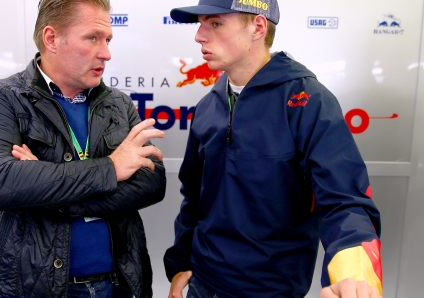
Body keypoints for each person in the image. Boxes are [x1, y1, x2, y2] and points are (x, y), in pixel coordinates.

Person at [163, 1, 383, 298]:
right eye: (200, 23)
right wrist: (180, 265)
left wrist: (354, 273)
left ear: (258, 27)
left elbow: (345, 200)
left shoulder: (306, 101)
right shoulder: (208, 106)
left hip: (270, 290)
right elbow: (193, 198)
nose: (199, 35)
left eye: (215, 23)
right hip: (203, 284)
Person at [0, 0, 166, 297]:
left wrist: (45, 190)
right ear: (52, 39)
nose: (106, 53)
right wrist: (112, 168)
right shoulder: (3, 98)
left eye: (108, 40)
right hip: (36, 288)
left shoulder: (118, 103)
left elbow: (152, 182)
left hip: (120, 284)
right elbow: (1, 184)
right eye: (92, 38)